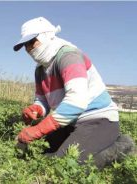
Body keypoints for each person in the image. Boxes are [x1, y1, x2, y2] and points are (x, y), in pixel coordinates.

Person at [13, 17, 135, 168]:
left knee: (66, 166)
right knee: (36, 150)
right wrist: (37, 109)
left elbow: (76, 102)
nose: (29, 49)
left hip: (98, 120)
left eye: (32, 42)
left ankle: (121, 147)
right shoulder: (40, 69)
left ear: (47, 36)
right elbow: (43, 101)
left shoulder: (68, 56)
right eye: (25, 45)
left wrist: (38, 129)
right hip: (71, 123)